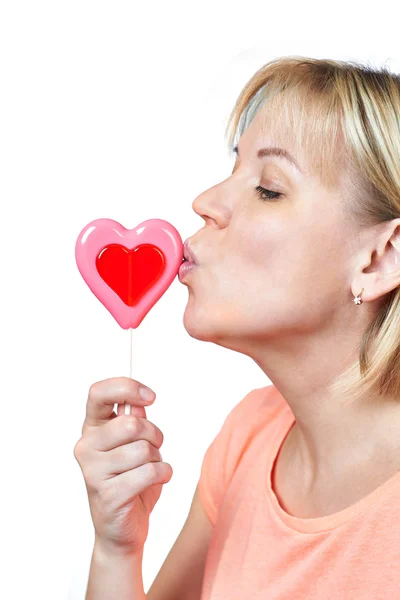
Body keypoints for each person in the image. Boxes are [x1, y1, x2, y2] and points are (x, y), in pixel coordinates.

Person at [74, 55, 400, 599]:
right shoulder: (248, 438)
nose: (204, 203)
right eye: (234, 170)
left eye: (268, 188)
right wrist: (116, 549)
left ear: (378, 259)